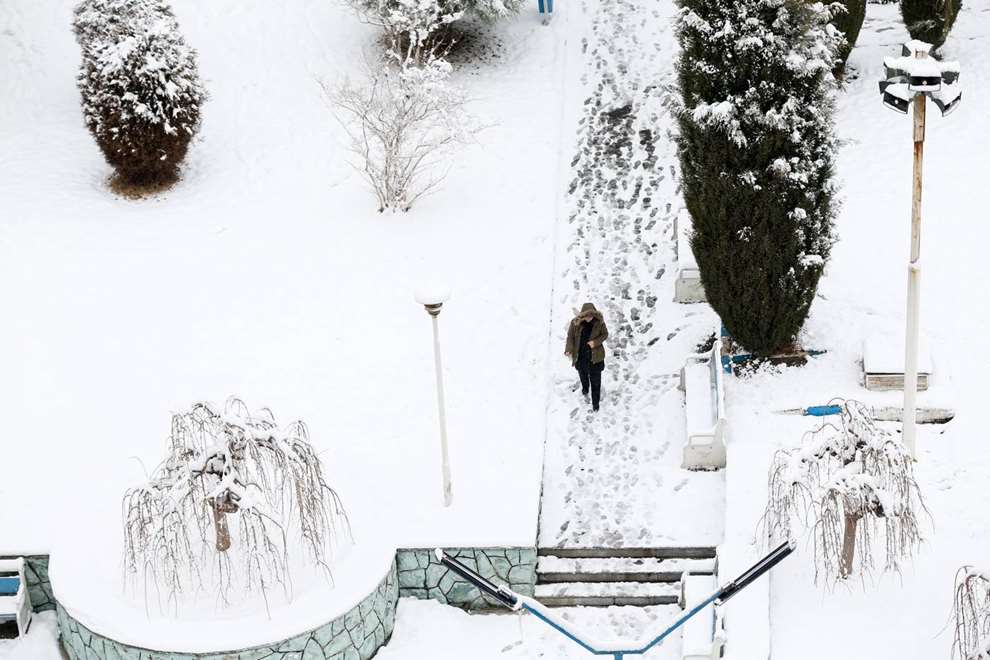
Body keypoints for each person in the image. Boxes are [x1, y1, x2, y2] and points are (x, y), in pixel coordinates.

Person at [564, 302, 608, 412]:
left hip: (595, 358)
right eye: (586, 315)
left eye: (591, 315)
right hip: (581, 356)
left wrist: (595, 342)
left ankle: (596, 404)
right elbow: (570, 337)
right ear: (582, 315)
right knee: (582, 374)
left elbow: (605, 334)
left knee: (596, 382)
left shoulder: (600, 323)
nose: (589, 317)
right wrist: (569, 350)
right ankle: (584, 388)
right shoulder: (575, 323)